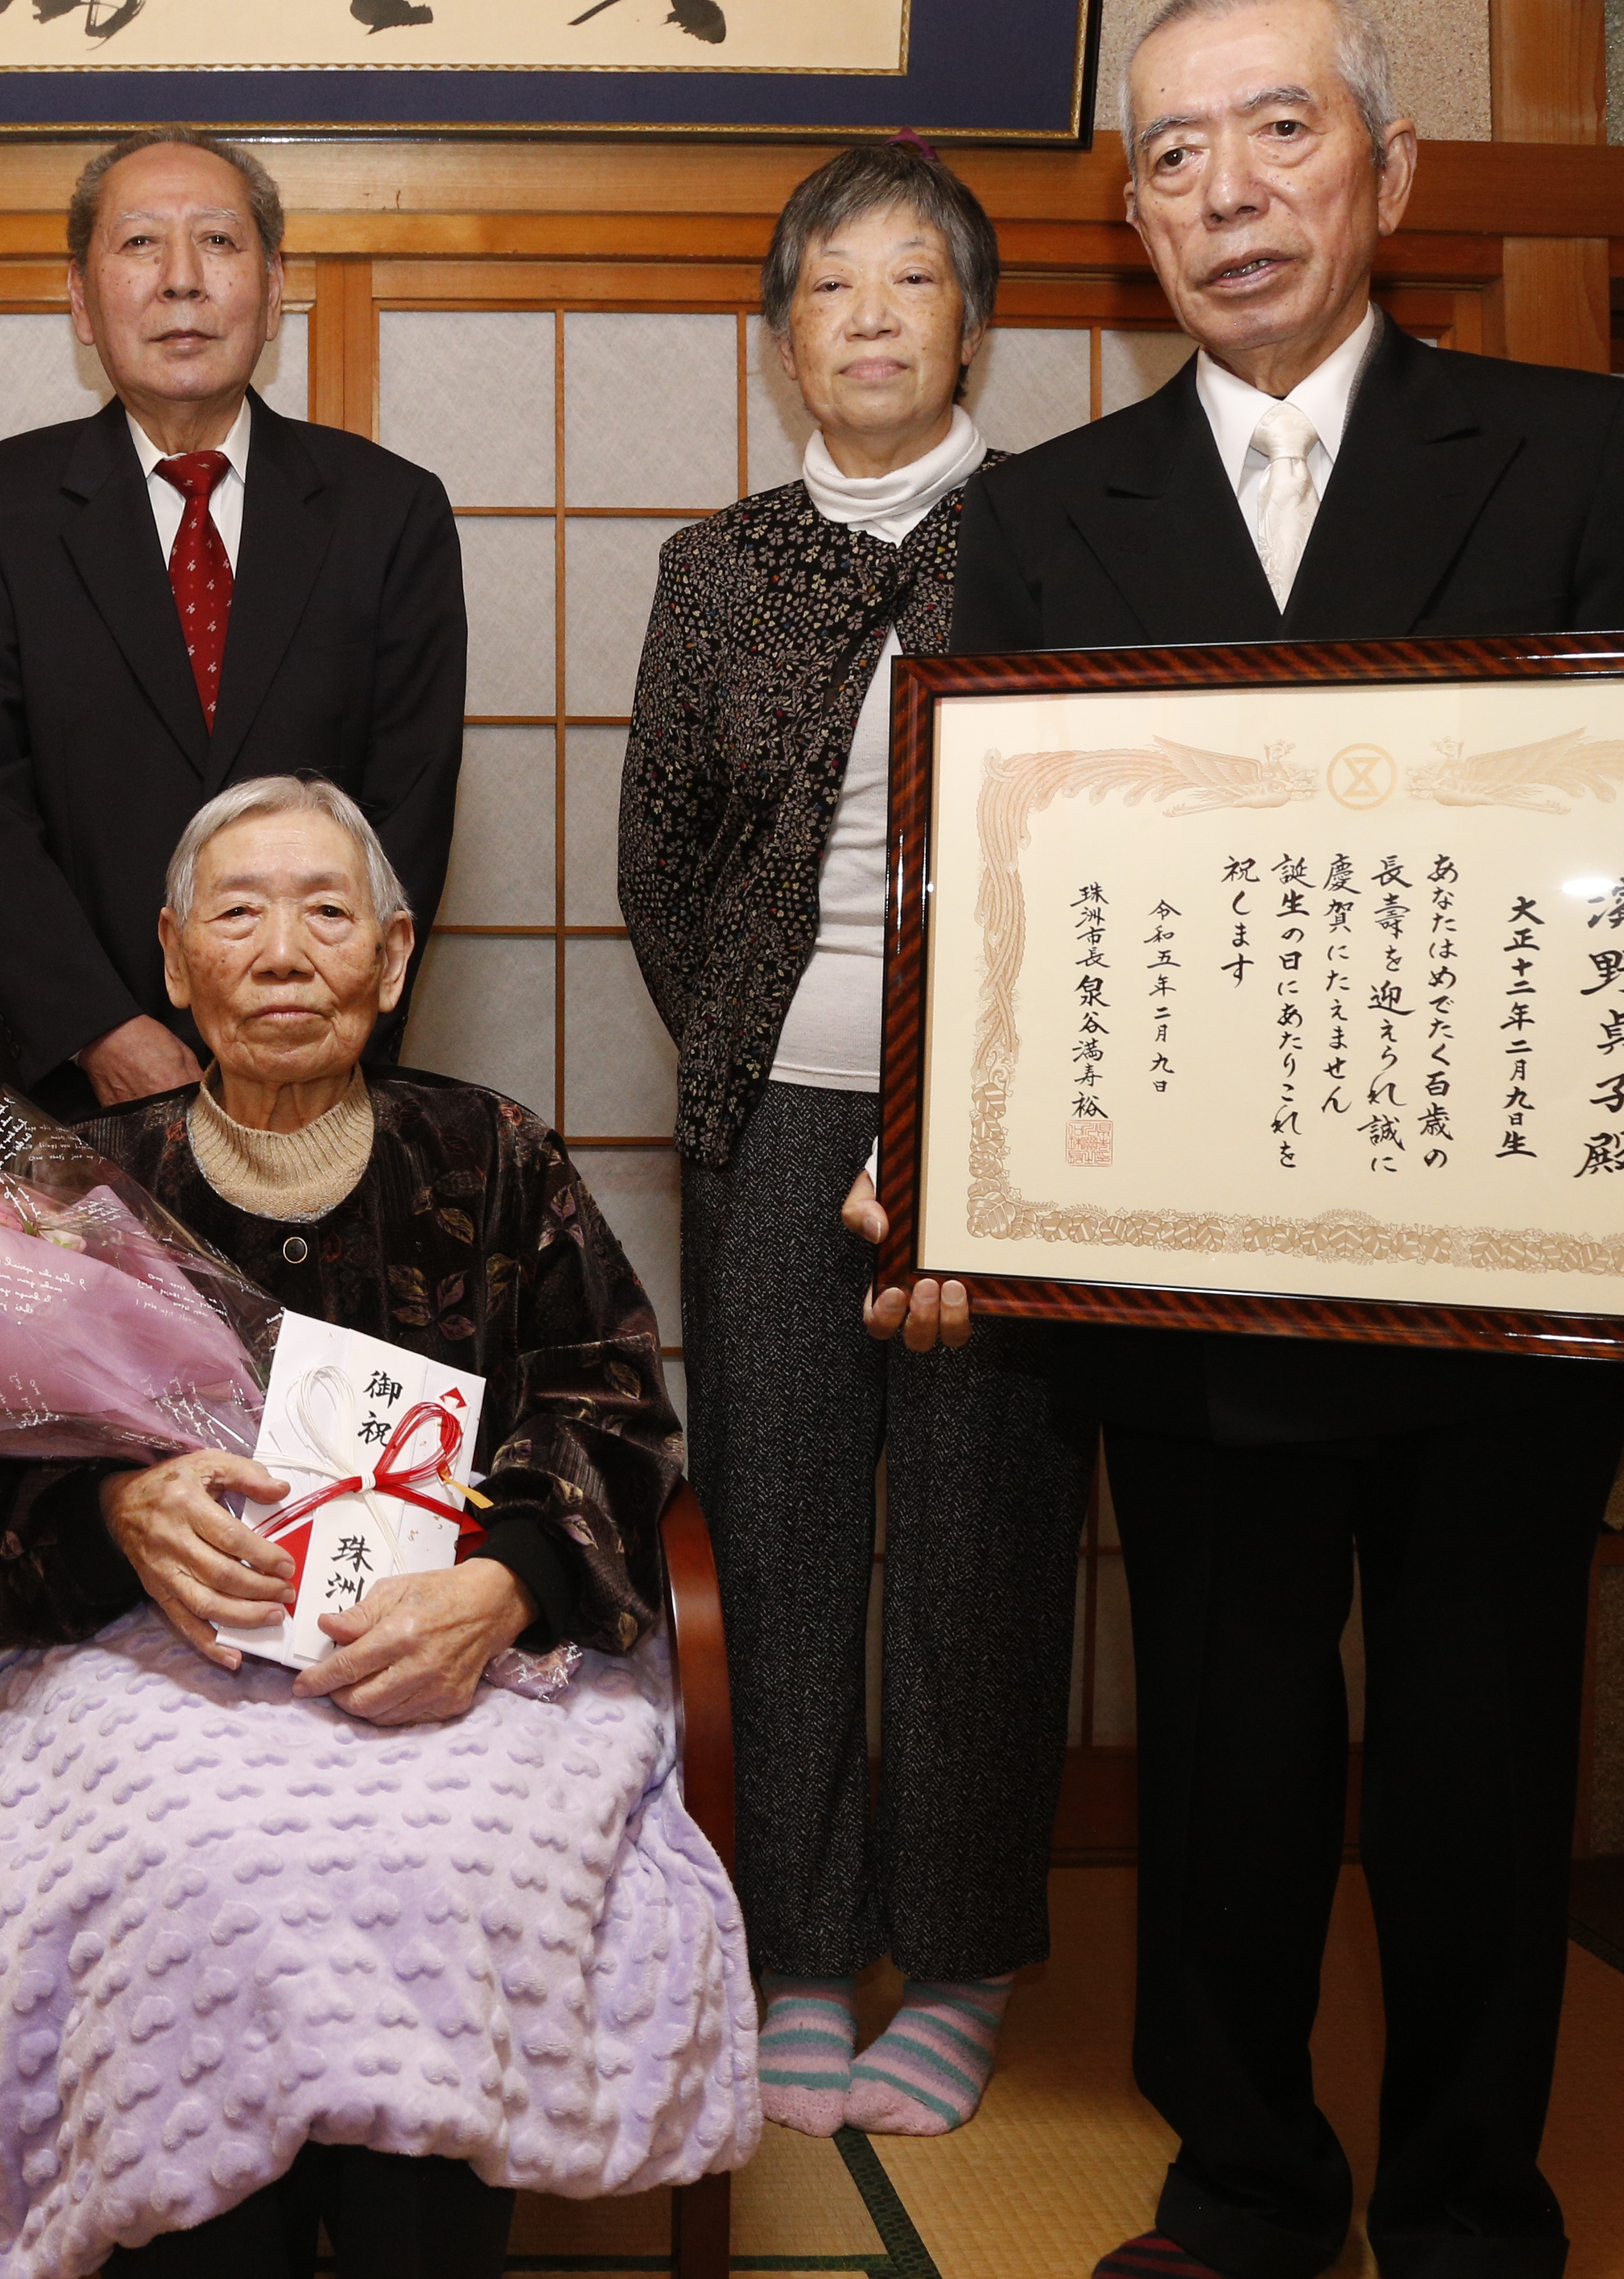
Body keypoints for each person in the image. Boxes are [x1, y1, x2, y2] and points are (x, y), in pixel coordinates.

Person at [953, 0, 1624, 2279]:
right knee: (1225, 1762)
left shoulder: (1570, 451)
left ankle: (1478, 2202)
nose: (1226, 192)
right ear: (1133, 225)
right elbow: (1004, 900)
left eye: (1276, 132)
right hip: (1186, 1283)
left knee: (1479, 1774)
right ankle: (1245, 2184)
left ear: (1393, 173)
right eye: (1171, 156)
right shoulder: (1050, 507)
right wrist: (946, 1131)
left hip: (1503, 1282)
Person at [0, 777, 745, 2279]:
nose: (284, 952)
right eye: (240, 912)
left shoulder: (496, 1158)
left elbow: (611, 1411)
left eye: (328, 912)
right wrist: (113, 1511)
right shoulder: (86, 1188)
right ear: (173, 957)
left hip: (464, 1653)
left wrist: (504, 1586)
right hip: (151, 1669)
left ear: (392, 960)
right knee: (185, 1871)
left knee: (456, 1865)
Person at [619, 140, 1095, 2144]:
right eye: (831, 288)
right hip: (777, 1103)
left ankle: (963, 1954)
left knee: (987, 1538)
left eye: (914, 283)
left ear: (973, 322)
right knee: (782, 1522)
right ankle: (800, 1948)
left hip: (1020, 1125)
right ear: (780, 335)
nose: (874, 318)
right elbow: (662, 856)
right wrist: (749, 1042)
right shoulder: (716, 567)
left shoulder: (1075, 534)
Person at [0, 125, 468, 1124]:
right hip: (65, 1076)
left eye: (217, 242)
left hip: (318, 1064)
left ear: (276, 285)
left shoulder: (390, 513)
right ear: (82, 301)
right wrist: (101, 1028)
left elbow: (410, 802)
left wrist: (310, 1028)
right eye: (137, 246)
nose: (180, 282)